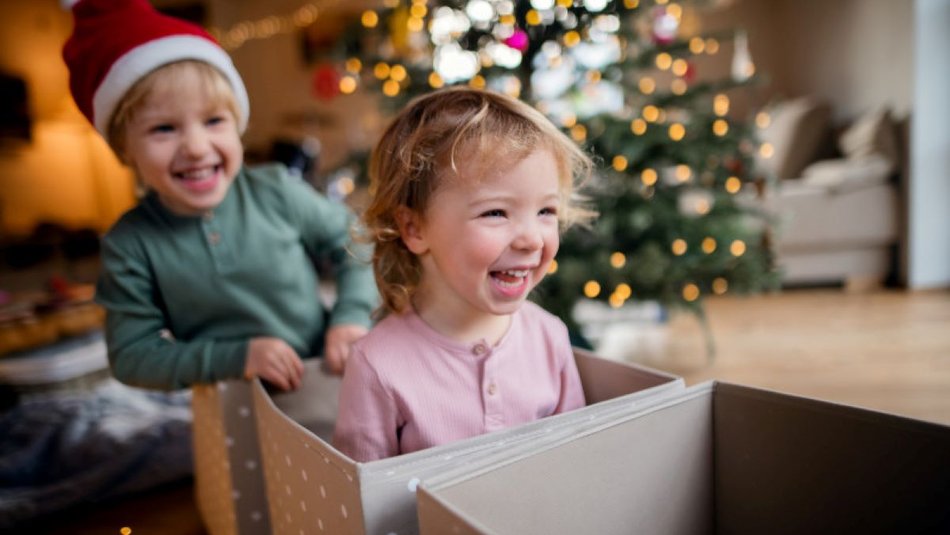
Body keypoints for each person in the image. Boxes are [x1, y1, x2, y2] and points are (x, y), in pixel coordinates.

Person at [61, 0, 377, 391]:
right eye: (163, 128)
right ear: (125, 150)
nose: (195, 146)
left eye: (213, 121)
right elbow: (132, 356)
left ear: (236, 124)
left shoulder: (274, 191)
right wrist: (237, 356)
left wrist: (350, 317)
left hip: (326, 377)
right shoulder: (131, 245)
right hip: (229, 403)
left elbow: (355, 240)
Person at [332, 87, 596, 462]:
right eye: (495, 213)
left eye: (547, 211)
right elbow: (364, 506)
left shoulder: (549, 336)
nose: (532, 239)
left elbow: (576, 464)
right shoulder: (377, 366)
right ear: (414, 228)